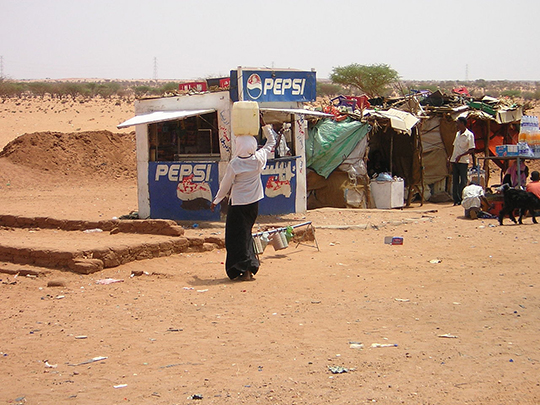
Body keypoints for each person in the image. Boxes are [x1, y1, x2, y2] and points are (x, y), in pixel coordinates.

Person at [210, 125, 275, 281]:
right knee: (246, 235)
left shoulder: (235, 164)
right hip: (254, 204)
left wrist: (217, 200)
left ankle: (244, 269)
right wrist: (266, 127)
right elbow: (271, 142)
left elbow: (225, 184)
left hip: (238, 204)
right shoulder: (259, 159)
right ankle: (249, 267)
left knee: (236, 238)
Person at [449, 116, 476, 205]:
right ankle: (456, 199)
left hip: (463, 162)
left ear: (463, 124)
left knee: (463, 181)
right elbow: (454, 147)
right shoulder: (457, 134)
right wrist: (451, 158)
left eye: (458, 123)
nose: (457, 125)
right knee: (455, 180)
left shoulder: (469, 135)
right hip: (455, 160)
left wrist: (461, 156)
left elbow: (472, 149)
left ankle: (462, 198)